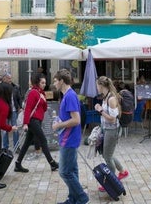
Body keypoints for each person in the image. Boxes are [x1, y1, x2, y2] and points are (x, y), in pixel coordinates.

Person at [52, 69, 89, 204]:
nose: (54, 84)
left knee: (64, 172)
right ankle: (73, 199)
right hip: (68, 137)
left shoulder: (70, 96)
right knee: (72, 170)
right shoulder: (67, 95)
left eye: (55, 81)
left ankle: (82, 197)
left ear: (62, 81)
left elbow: (76, 120)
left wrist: (58, 126)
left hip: (69, 139)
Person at [14, 73, 58, 173]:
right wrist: (25, 123)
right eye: (42, 83)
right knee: (43, 140)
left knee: (26, 143)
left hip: (37, 120)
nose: (44, 85)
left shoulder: (41, 93)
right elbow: (28, 108)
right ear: (37, 83)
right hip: (33, 121)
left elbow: (45, 108)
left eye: (45, 83)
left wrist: (44, 99)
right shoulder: (33, 92)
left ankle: (18, 163)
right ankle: (52, 163)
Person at [94, 76, 129, 192]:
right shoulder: (106, 97)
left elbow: (113, 119)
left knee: (107, 156)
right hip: (106, 129)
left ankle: (111, 181)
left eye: (97, 85)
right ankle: (123, 172)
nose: (96, 87)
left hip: (112, 130)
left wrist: (100, 110)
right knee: (108, 154)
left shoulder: (111, 99)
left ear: (101, 86)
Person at [1, 73, 22, 150]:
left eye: (10, 78)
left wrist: (20, 107)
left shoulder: (15, 87)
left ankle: (16, 147)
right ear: (4, 79)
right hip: (4, 111)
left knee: (15, 128)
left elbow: (19, 98)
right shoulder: (0, 88)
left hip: (13, 110)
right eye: (8, 78)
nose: (10, 80)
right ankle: (5, 147)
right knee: (5, 129)